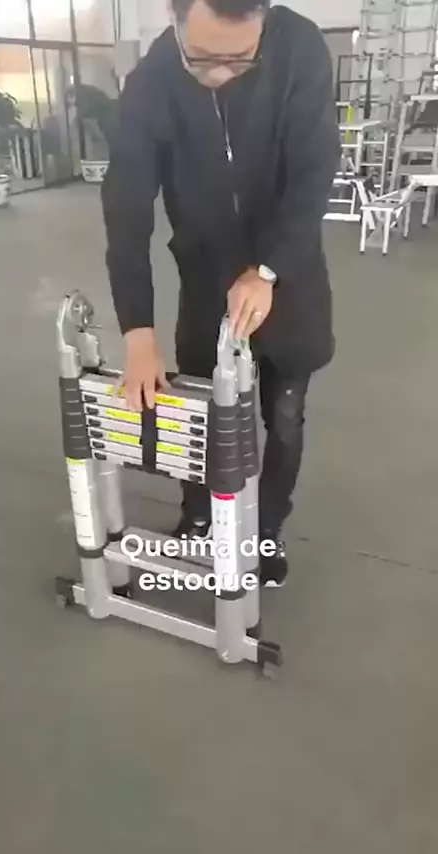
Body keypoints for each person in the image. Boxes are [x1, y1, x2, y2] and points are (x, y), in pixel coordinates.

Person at [101, 0, 340, 587]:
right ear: (174, 15)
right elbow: (126, 211)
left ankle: (266, 530)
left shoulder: (300, 50)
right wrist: (137, 333)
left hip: (289, 279)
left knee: (284, 418)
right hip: (206, 284)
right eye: (203, 59)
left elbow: (314, 171)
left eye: (241, 61)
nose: (221, 74)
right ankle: (200, 516)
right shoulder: (151, 83)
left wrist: (268, 270)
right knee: (204, 416)